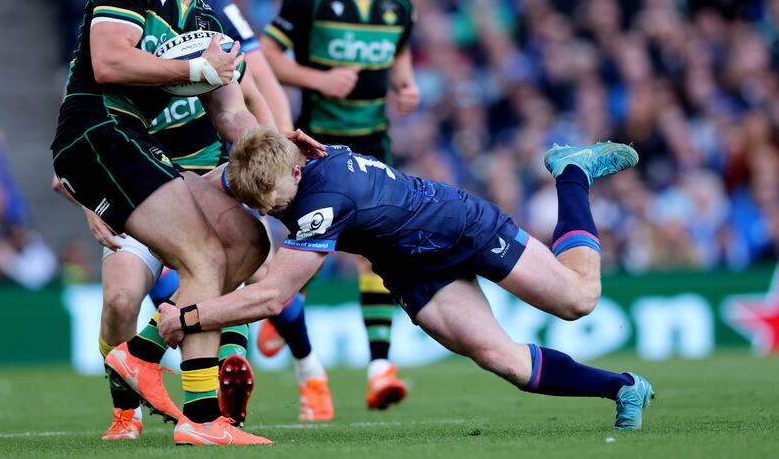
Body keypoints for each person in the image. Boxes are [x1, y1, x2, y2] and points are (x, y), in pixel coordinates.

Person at [159, 127, 655, 433]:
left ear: (296, 171)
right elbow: (211, 183)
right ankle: (624, 388)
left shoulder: (325, 200)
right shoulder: (273, 166)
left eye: (273, 199)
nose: (268, 210)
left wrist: (187, 317)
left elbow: (272, 297)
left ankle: (572, 173)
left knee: (579, 299)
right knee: (502, 360)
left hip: (462, 227)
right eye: (258, 203)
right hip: (412, 269)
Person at [50, 0, 322, 446]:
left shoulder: (204, 20)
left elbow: (230, 114)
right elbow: (108, 62)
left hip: (134, 142)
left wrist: (279, 147)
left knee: (247, 243)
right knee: (200, 255)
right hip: (96, 131)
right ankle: (186, 408)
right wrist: (200, 69)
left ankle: (158, 371)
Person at [129, 0, 333, 422]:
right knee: (191, 277)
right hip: (146, 172)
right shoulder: (123, 17)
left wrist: (276, 149)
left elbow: (256, 84)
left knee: (250, 267)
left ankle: (303, 369)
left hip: (210, 165)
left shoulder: (213, 8)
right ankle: (190, 375)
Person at [260, 0, 419, 410]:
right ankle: (285, 304)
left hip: (373, 145)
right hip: (316, 145)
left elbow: (400, 50)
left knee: (379, 250)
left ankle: (380, 369)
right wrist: (319, 79)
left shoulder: (399, 4)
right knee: (310, 246)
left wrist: (405, 84)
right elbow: (265, 56)